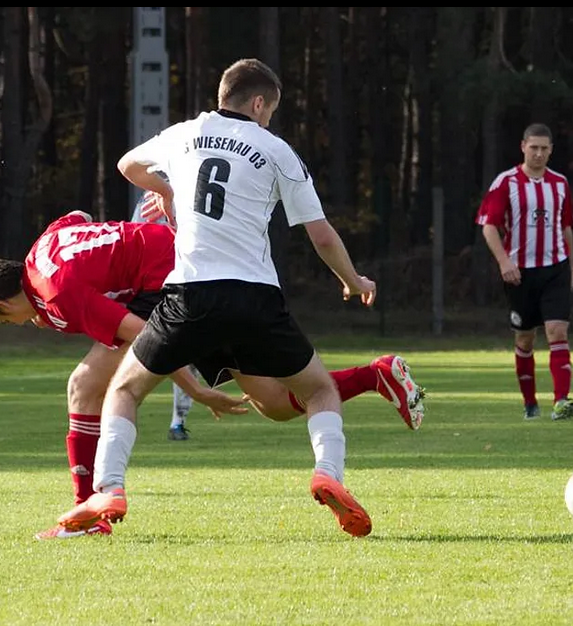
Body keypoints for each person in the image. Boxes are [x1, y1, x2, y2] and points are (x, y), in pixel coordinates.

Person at [56, 58, 391, 538]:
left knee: (125, 390)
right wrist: (353, 280)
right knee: (318, 389)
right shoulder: (276, 149)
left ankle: (110, 488)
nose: (269, 118)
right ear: (258, 103)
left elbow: (127, 165)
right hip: (256, 298)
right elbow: (320, 235)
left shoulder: (183, 134)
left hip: (190, 294)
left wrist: (168, 191)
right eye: (270, 109)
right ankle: (327, 475)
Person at [0, 211, 425, 539]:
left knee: (87, 384)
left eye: (6, 321)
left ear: (2, 305)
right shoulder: (46, 246)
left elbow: (142, 334)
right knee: (278, 405)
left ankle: (92, 508)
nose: (19, 325)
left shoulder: (56, 294)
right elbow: (78, 218)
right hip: (212, 272)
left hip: (177, 288)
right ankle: (376, 376)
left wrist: (196, 390)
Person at [476, 122, 573, 422]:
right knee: (525, 340)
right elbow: (489, 226)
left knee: (558, 331)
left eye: (544, 148)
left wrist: (571, 268)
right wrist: (504, 262)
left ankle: (561, 401)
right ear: (523, 147)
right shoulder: (506, 182)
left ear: (551, 151)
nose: (538, 153)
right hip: (520, 274)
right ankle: (530, 403)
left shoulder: (560, 184)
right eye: (533, 147)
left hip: (555, 268)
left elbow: (567, 228)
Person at [132, 182, 197, 442]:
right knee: (163, 355)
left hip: (168, 284)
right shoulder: (160, 195)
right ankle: (175, 421)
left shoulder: (158, 194)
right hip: (169, 284)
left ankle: (177, 421)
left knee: (180, 356)